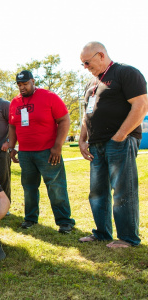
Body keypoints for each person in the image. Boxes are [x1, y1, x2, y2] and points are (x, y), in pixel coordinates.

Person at [78, 42, 148, 248]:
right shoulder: (91, 84)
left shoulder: (126, 73)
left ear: (101, 55)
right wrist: (82, 139)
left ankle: (128, 238)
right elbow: (86, 115)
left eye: (87, 62)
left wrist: (120, 135)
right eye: (82, 64)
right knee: (97, 191)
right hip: (96, 144)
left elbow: (141, 105)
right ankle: (101, 233)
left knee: (122, 190)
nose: (85, 67)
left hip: (120, 141)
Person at [8, 70, 75, 233]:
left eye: (25, 84)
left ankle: (64, 221)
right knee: (29, 187)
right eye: (19, 85)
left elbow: (64, 119)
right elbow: (12, 125)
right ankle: (30, 218)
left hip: (48, 152)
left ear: (33, 81)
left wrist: (58, 146)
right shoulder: (15, 102)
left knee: (56, 186)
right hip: (25, 153)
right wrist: (12, 146)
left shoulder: (49, 96)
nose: (22, 88)